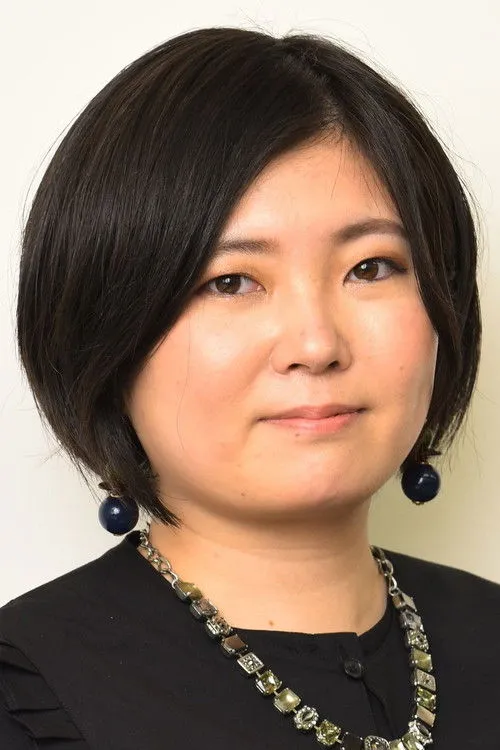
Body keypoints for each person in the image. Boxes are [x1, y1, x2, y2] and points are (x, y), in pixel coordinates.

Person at [1, 24, 498, 750]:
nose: (316, 345)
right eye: (230, 281)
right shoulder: (28, 695)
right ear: (103, 330)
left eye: (370, 268)